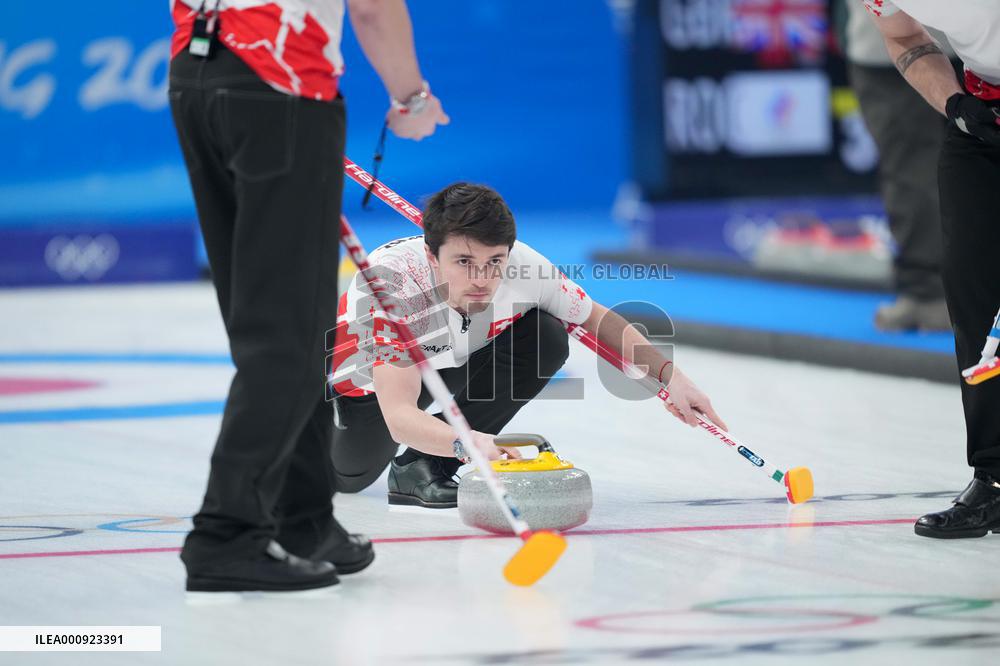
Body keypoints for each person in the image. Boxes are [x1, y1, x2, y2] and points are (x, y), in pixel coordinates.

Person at [167, 0, 449, 593]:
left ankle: (302, 520)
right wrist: (412, 99)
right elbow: (373, 9)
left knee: (275, 321)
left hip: (196, 77)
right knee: (289, 337)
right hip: (280, 84)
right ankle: (226, 533)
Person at [327, 183, 726, 508]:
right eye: (464, 262)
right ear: (432, 255)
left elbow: (597, 319)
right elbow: (398, 415)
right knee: (345, 478)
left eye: (494, 261)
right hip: (366, 392)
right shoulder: (395, 285)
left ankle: (424, 466)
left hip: (449, 361)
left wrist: (670, 377)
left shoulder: (524, 266)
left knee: (545, 335)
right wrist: (469, 441)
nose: (482, 278)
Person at [862, 1, 1000, 538]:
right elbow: (904, 40)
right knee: (974, 296)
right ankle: (993, 476)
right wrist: (956, 104)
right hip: (982, 114)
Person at [843, 0, 951, 331]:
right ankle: (928, 292)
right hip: (892, 46)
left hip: (974, 43)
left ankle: (931, 292)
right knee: (913, 171)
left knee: (918, 171)